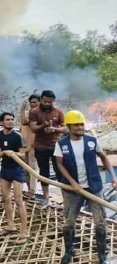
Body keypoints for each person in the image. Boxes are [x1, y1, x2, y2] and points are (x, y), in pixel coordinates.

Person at [55, 110, 117, 264]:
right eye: (76, 124)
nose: (80, 127)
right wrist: (73, 182)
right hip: (71, 190)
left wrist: (114, 177)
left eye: (81, 124)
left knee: (101, 222)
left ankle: (102, 255)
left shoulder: (92, 141)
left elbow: (104, 158)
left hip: (94, 187)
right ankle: (69, 250)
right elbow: (59, 164)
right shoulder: (61, 144)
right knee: (69, 222)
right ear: (69, 127)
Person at [0, 112, 29, 244]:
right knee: (5, 197)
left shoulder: (18, 136)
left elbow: (23, 155)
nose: (10, 121)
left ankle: (24, 231)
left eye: (12, 119)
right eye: (7, 120)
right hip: (5, 169)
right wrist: (1, 154)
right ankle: (10, 225)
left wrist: (13, 153)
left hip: (16, 170)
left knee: (18, 200)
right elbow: (0, 149)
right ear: (1, 122)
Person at [29, 90, 67, 209]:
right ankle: (46, 198)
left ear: (53, 101)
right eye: (45, 101)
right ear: (41, 100)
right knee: (44, 172)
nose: (47, 103)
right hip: (41, 146)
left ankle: (65, 199)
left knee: (60, 172)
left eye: (49, 102)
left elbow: (66, 128)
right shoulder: (33, 112)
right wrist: (43, 127)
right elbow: (33, 127)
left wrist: (54, 129)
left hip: (56, 146)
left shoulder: (58, 112)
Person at [20, 94, 40, 197]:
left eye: (35, 102)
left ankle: (32, 191)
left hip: (34, 145)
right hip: (24, 145)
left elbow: (24, 122)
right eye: (31, 102)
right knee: (25, 168)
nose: (33, 104)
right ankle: (29, 190)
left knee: (33, 168)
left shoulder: (40, 115)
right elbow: (22, 128)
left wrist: (22, 110)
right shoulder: (26, 113)